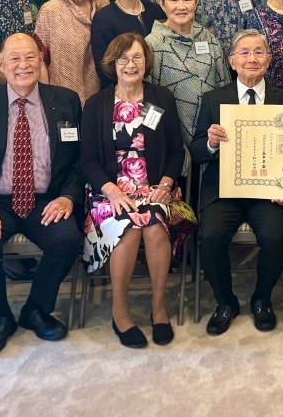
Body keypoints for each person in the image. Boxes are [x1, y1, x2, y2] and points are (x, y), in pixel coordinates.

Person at [0, 33, 84, 356]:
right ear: (1, 63)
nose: (23, 65)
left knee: (68, 238)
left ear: (41, 60)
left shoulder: (66, 101)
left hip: (46, 200)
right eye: (14, 58)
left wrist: (68, 197)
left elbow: (78, 161)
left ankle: (36, 309)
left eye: (30, 57)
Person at [81, 33, 196, 348]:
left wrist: (167, 184)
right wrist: (112, 191)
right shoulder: (96, 105)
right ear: (112, 63)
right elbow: (87, 160)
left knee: (154, 225)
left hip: (155, 188)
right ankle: (120, 311)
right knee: (129, 228)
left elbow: (176, 151)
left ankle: (159, 308)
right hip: (109, 192)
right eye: (123, 58)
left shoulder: (161, 98)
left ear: (147, 62)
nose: (130, 64)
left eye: (137, 58)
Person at [190, 29, 283, 335]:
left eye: (258, 52)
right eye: (244, 52)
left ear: (269, 59)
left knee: (276, 238)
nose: (252, 58)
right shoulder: (214, 100)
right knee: (210, 238)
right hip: (223, 190)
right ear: (232, 62)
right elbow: (196, 152)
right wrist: (210, 143)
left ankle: (262, 299)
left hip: (269, 193)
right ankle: (225, 302)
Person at [146, 0, 231, 144]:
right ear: (162, 3)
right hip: (169, 137)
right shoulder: (150, 44)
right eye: (173, 0)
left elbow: (225, 87)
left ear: (196, 2)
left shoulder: (209, 39)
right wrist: (154, 139)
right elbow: (143, 97)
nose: (181, 6)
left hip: (211, 137)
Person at [35, 0, 109, 106]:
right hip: (62, 101)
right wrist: (48, 102)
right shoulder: (49, 11)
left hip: (103, 98)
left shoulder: (105, 8)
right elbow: (40, 61)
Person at [91, 0, 166, 89]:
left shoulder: (157, 11)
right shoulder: (103, 18)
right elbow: (104, 69)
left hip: (160, 90)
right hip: (123, 93)